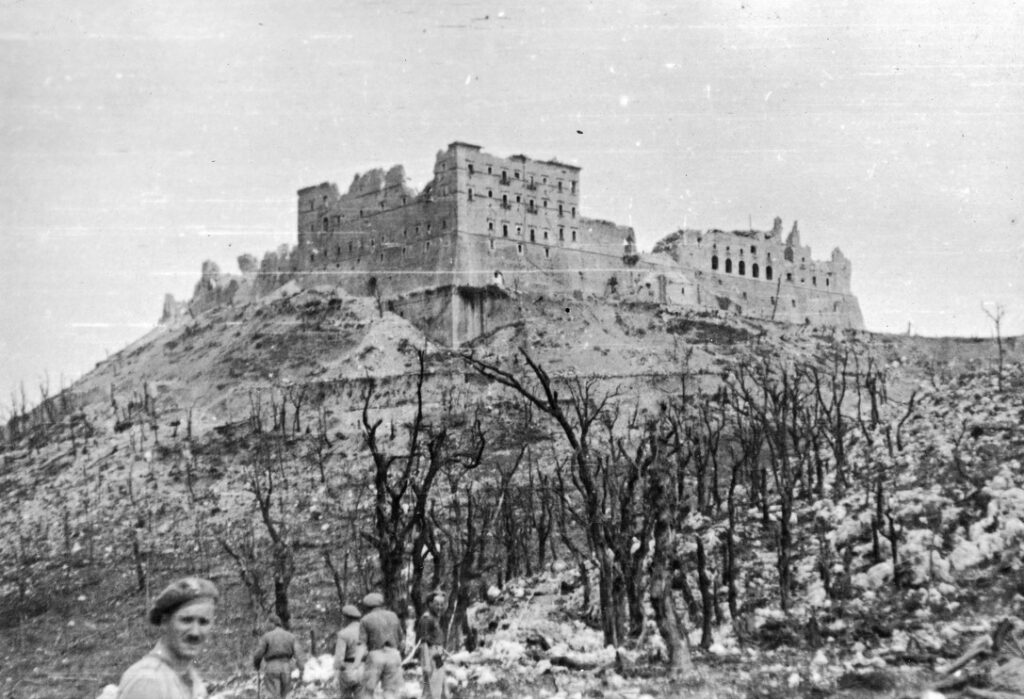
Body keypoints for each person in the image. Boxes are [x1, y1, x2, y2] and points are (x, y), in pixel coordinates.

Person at [117, 576, 219, 699]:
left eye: (203, 622)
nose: (195, 632)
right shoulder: (149, 680)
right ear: (165, 622)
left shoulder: (188, 675)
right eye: (186, 620)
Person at [359, 592, 404, 699]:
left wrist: (362, 660)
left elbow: (362, 645)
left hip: (375, 655)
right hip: (393, 654)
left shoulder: (365, 619)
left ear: (367, 606)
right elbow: (402, 640)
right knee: (390, 692)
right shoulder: (393, 616)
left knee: (367, 691)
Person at [253, 613, 306, 699]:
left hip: (272, 667)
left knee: (274, 695)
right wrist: (301, 669)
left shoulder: (266, 637)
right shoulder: (291, 636)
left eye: (268, 623)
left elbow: (258, 653)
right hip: (286, 667)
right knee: (284, 696)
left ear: (272, 623)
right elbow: (298, 654)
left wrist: (256, 665)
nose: (266, 626)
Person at [416, 592, 448, 699]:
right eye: (437, 604)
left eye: (442, 604)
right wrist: (427, 665)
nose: (440, 607)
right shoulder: (426, 619)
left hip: (437, 655)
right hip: (430, 655)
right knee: (434, 689)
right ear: (430, 604)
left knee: (432, 687)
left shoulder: (434, 618)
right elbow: (424, 642)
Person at [333, 604, 366, 699]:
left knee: (345, 696)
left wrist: (336, 675)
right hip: (363, 668)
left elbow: (339, 659)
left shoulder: (343, 633)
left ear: (347, 618)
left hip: (349, 669)